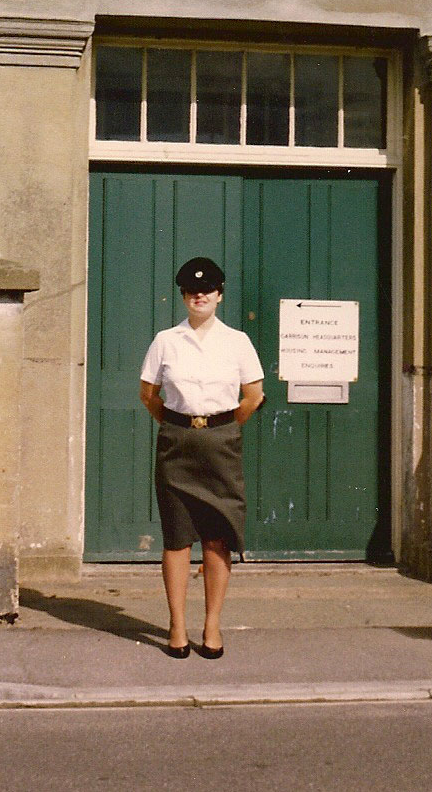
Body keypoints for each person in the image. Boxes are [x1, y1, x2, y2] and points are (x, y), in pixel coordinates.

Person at [139, 257, 264, 659]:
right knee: (176, 538)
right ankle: (177, 625)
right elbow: (148, 395)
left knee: (217, 536)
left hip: (221, 445)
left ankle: (212, 625)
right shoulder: (165, 341)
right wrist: (179, 425)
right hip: (177, 444)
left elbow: (254, 396)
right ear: (182, 296)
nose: (199, 296)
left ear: (219, 295)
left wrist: (223, 428)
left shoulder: (238, 342)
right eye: (192, 290)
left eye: (207, 289)